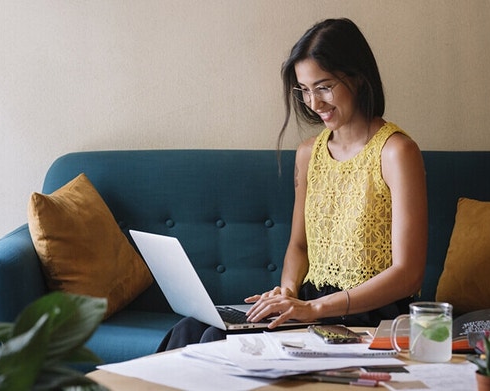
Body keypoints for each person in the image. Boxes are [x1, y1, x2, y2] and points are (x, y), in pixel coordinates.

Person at [157, 17, 427, 351]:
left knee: (216, 341)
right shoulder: (308, 153)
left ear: (358, 77)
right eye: (305, 90)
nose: (314, 104)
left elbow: (408, 274)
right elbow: (299, 246)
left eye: (324, 87)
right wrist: (286, 292)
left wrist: (312, 308)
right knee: (190, 328)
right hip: (310, 307)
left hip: (368, 315)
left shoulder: (397, 151)